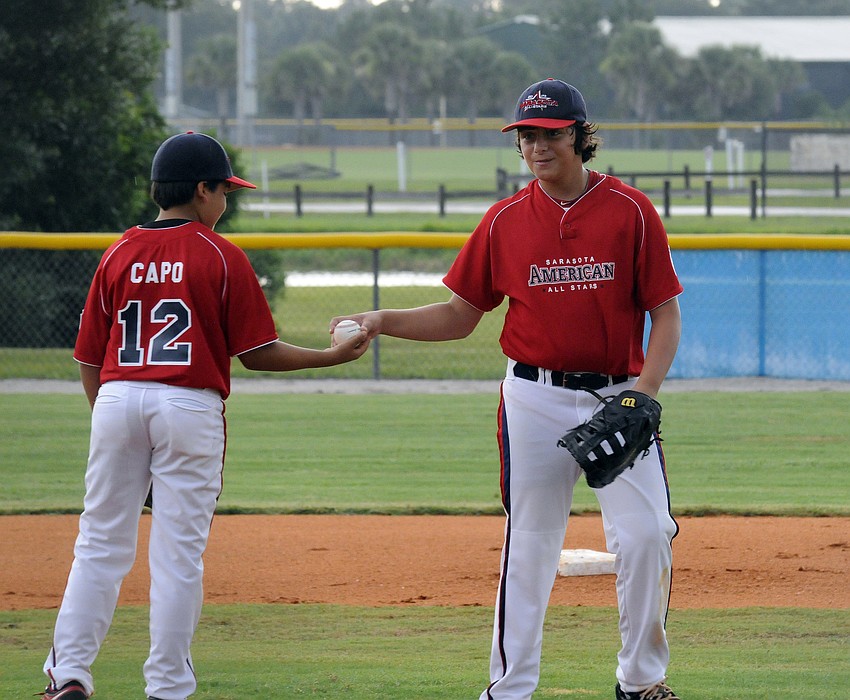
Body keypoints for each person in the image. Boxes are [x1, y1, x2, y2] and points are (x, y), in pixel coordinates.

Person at [331, 79, 683, 700]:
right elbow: (460, 314)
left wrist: (643, 395)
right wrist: (381, 320)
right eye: (526, 135)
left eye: (549, 133)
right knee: (531, 544)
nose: (536, 146)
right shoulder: (503, 221)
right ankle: (510, 688)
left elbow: (667, 314)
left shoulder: (630, 211)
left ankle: (641, 680)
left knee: (650, 533)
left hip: (619, 396)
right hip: (534, 397)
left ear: (578, 136)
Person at [41, 132, 370, 700]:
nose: (226, 201)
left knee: (98, 544)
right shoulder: (220, 254)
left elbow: (90, 359)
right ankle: (167, 686)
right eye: (223, 190)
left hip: (116, 399)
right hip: (189, 404)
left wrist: (118, 432)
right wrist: (332, 356)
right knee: (177, 555)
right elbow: (258, 353)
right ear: (201, 190)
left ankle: (69, 675)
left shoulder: (119, 251)